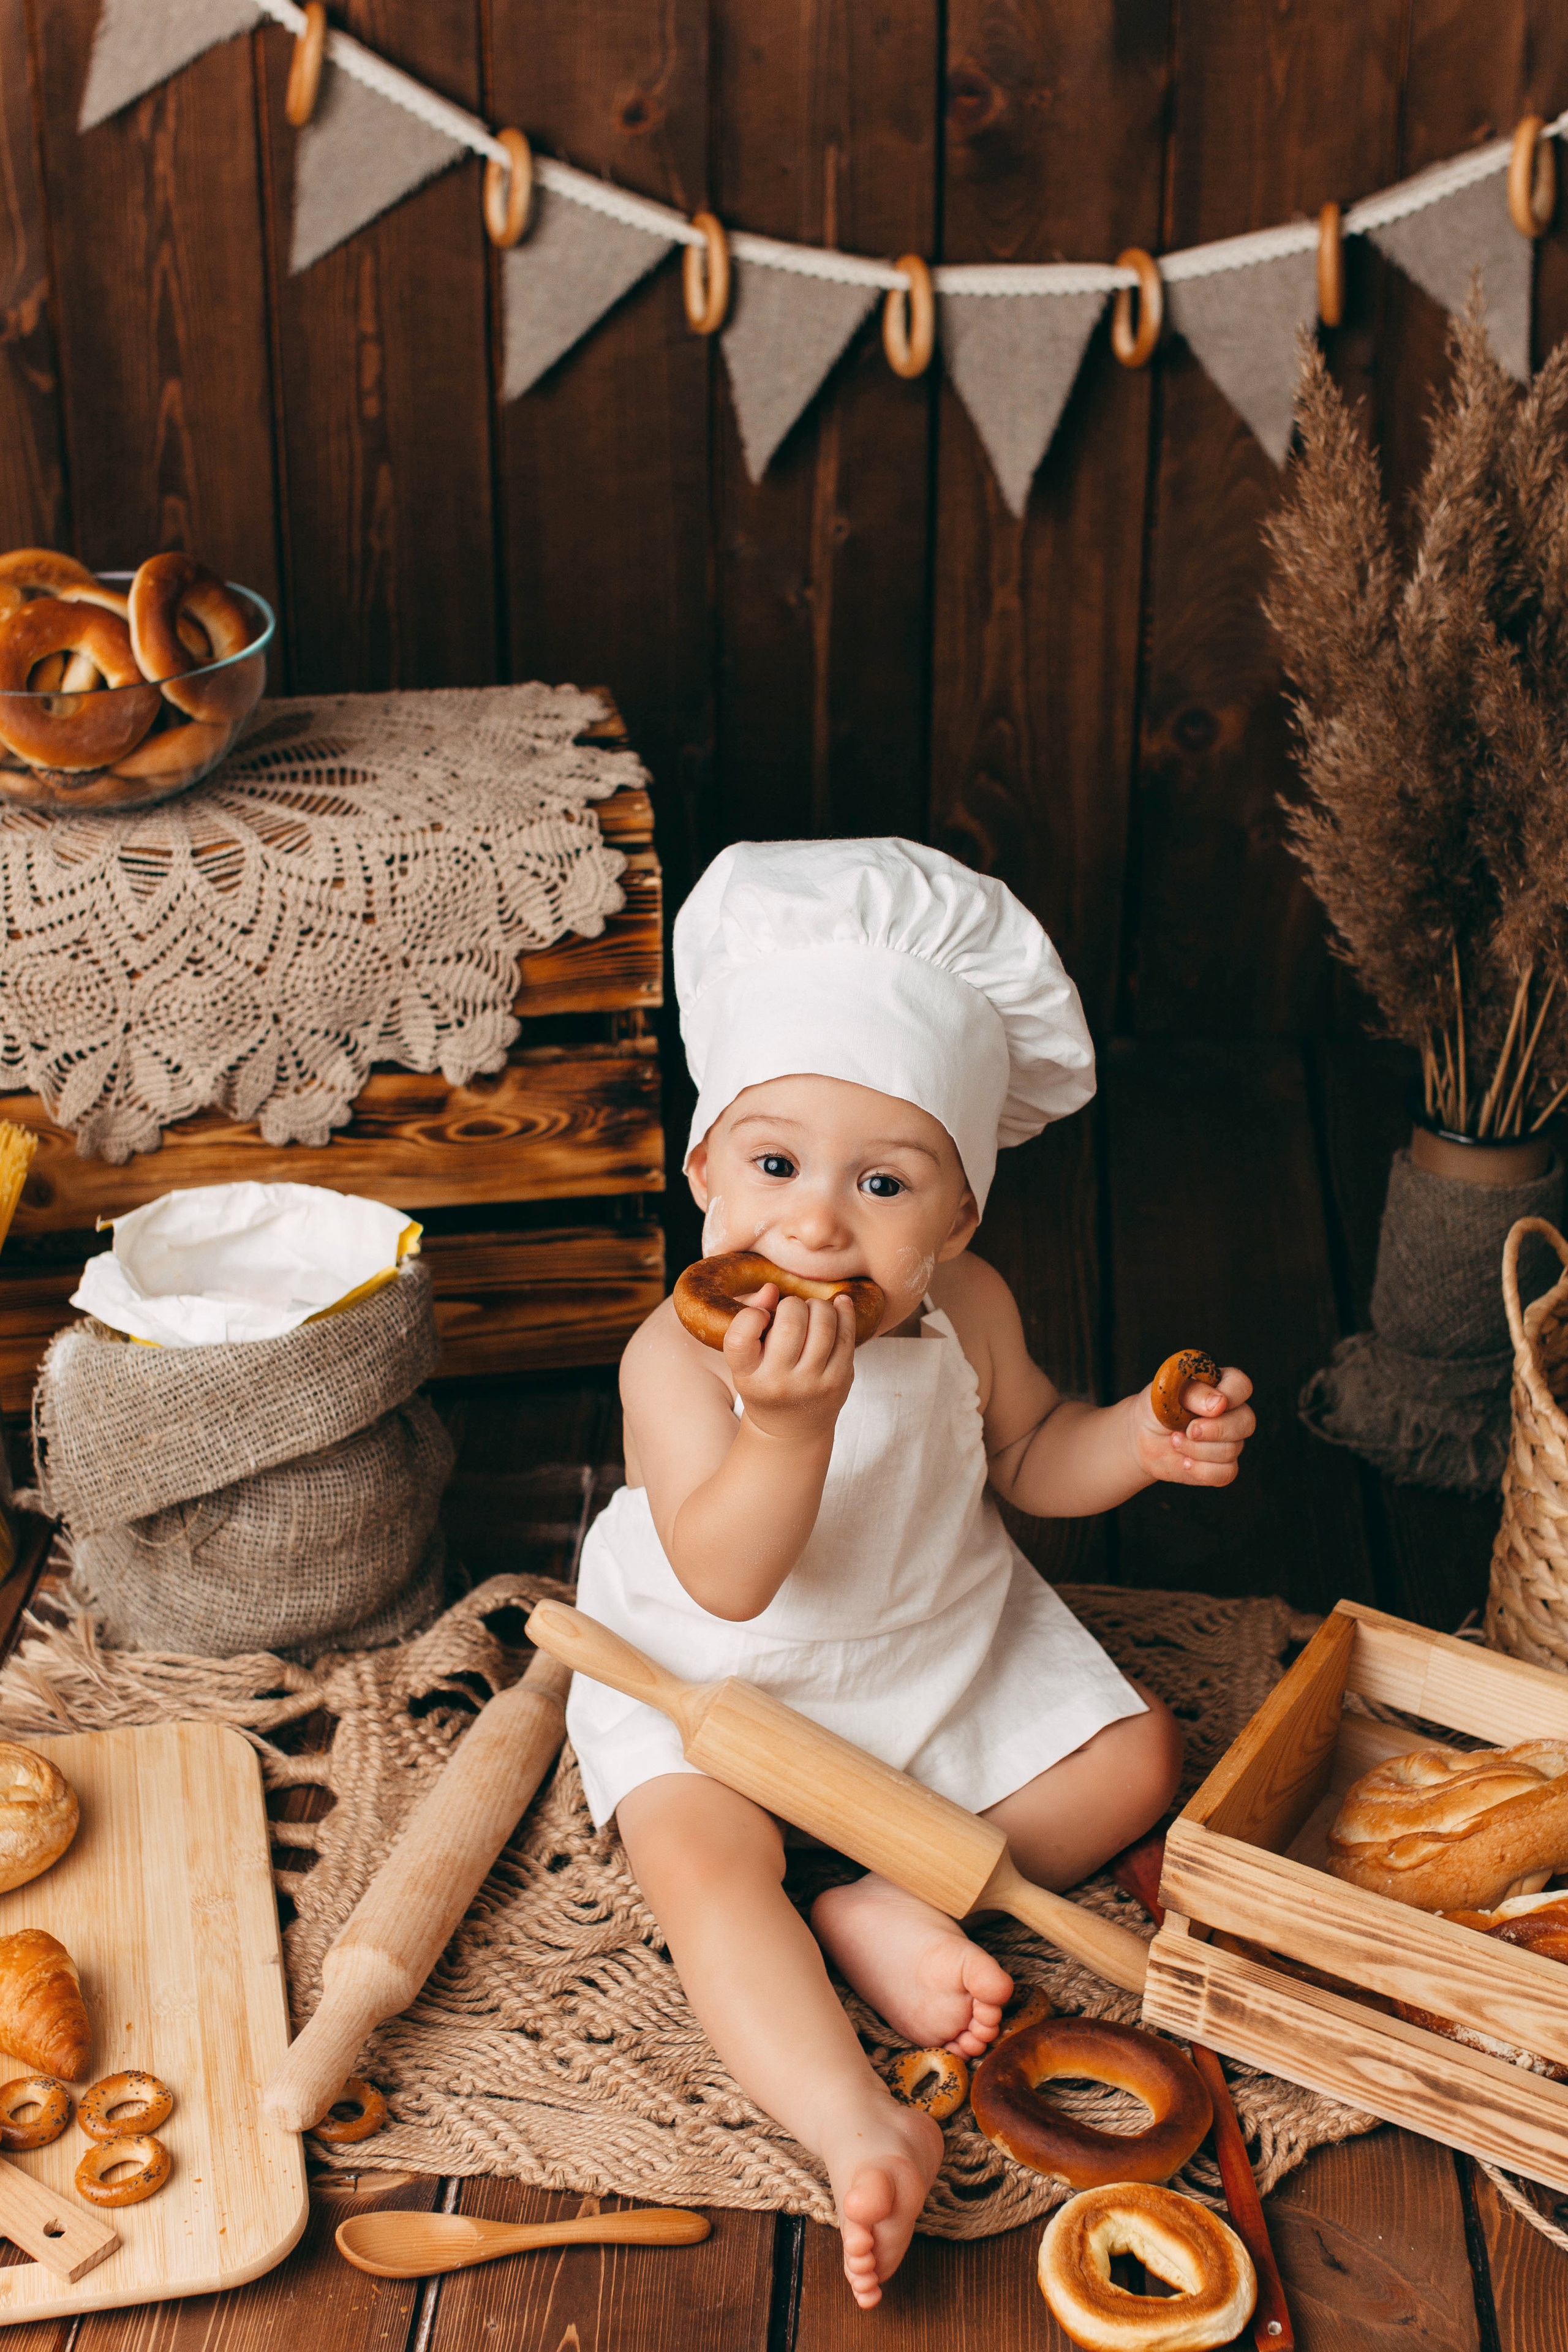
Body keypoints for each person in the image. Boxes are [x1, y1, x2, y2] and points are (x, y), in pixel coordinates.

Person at [565, 838, 1255, 2309]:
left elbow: (1030, 1458)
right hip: (714, 1689)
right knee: (700, 1865)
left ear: (955, 1224)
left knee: (1140, 1749)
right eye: (772, 1165)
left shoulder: (969, 1315)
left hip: (931, 1655)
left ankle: (881, 1893)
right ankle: (851, 2117)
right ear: (700, 1174)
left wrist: (1135, 1439)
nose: (814, 1223)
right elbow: (728, 1573)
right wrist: (786, 1427)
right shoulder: (673, 1360)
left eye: (881, 1183)